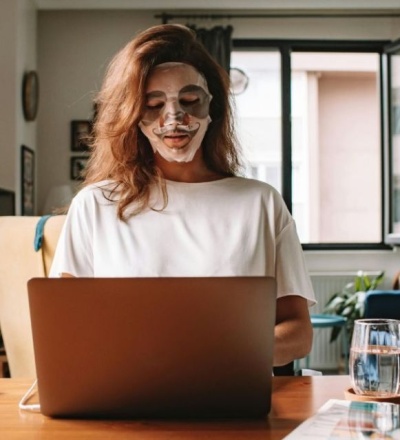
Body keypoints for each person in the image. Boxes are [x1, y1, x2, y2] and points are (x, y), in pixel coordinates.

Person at [50, 23, 315, 367]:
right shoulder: (94, 205)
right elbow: (65, 327)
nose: (174, 118)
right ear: (133, 117)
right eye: (153, 104)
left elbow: (298, 333)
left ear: (212, 108)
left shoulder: (261, 203)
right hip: (127, 395)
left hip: (231, 397)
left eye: (189, 100)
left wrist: (222, 356)